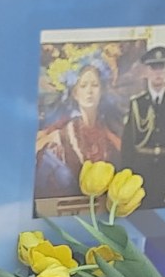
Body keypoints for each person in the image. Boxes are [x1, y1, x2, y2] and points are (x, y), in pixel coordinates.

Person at [33, 56, 123, 204]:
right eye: (83, 86)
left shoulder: (111, 139)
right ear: (75, 93)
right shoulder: (61, 138)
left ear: (101, 91)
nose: (89, 91)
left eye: (94, 85)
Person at [118, 44, 165, 203]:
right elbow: (128, 146)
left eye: (161, 68)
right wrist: (127, 180)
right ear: (146, 72)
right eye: (153, 68)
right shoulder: (137, 103)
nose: (157, 73)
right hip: (140, 174)